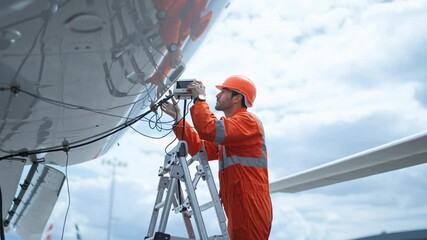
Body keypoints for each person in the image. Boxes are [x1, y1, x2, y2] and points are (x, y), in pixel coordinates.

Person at [161, 75, 273, 240]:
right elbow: (199, 149)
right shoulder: (232, 132)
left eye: (224, 92)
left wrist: (200, 99)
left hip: (250, 204)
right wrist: (178, 118)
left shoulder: (248, 122)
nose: (217, 95)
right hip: (240, 204)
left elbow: (209, 129)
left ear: (237, 97)